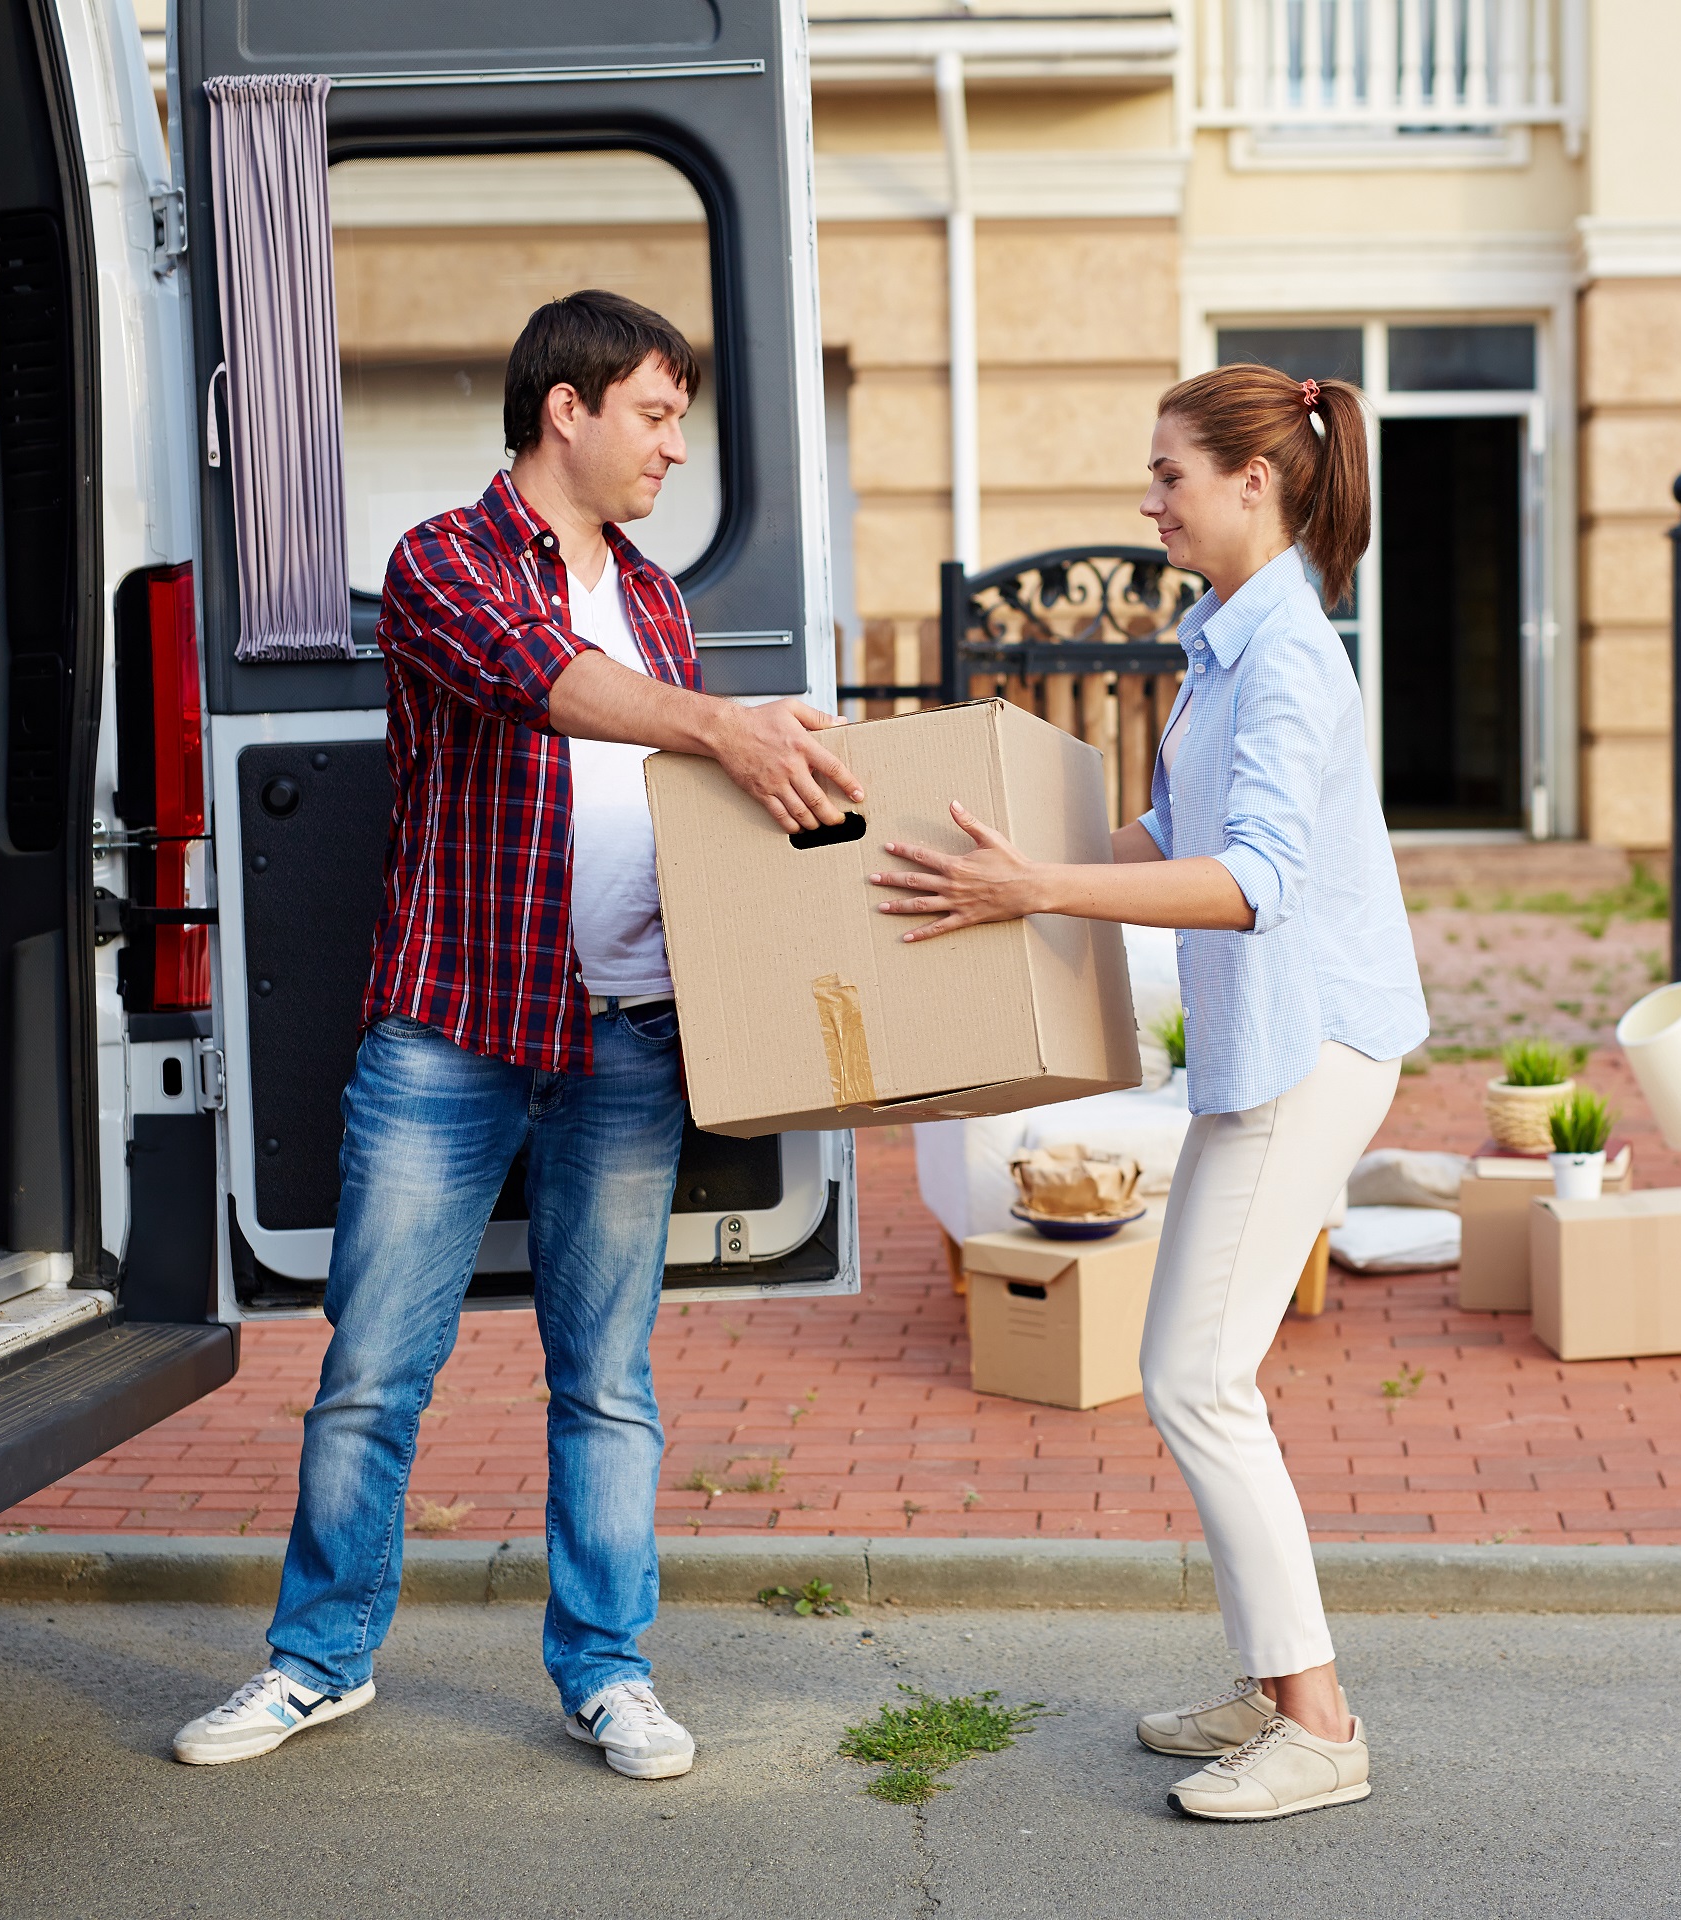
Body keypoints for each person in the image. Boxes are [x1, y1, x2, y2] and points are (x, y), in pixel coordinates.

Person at [173, 290, 860, 1776]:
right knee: (373, 1369)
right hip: (452, 1034)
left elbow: (687, 798)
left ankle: (608, 1671)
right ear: (570, 407)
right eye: (658, 415)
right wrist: (719, 725)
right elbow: (542, 685)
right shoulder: (440, 563)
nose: (676, 448)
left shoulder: (662, 596)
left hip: (628, 1043)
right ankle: (317, 1661)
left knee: (606, 1380)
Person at [867, 365, 1426, 1821]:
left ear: (1257, 480)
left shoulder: (1290, 656)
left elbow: (1252, 883)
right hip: (1272, 1046)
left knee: (1191, 1374)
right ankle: (1271, 1682)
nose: (1148, 498)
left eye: (1170, 473)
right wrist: (1001, 855)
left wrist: (1039, 885)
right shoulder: (1229, 644)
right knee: (1199, 1372)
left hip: (1317, 1050)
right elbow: (1166, 835)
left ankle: (1320, 1725)